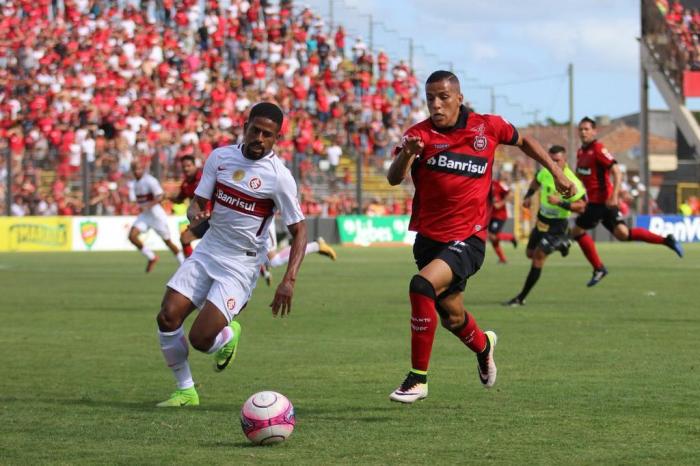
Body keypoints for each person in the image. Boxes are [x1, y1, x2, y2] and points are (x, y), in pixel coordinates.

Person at [385, 70, 575, 403]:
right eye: (430, 98)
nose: (436, 104)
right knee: (453, 317)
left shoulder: (486, 126)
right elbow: (393, 178)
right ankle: (483, 346)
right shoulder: (419, 135)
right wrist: (407, 153)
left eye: (443, 96)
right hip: (429, 240)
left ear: (459, 98)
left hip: (469, 238)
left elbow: (525, 141)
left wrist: (555, 171)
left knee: (421, 286)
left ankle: (418, 378)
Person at [154, 102, 307, 407]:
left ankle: (227, 335)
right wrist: (194, 214)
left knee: (200, 339)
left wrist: (289, 280)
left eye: (267, 134)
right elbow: (197, 203)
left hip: (241, 262)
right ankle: (185, 390)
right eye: (255, 130)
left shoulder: (279, 177)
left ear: (276, 138)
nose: (259, 138)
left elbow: (300, 230)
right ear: (245, 126)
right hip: (210, 248)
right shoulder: (220, 157)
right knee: (167, 316)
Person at [572, 117, 683, 287]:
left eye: (587, 129)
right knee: (623, 234)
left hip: (602, 202)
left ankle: (598, 268)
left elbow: (616, 171)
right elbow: (582, 176)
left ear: (595, 131)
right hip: (595, 202)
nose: (583, 132)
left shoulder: (598, 149)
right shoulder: (581, 152)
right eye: (581, 129)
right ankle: (667, 240)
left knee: (576, 231)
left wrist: (614, 195)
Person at [504, 146, 586, 306]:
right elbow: (536, 182)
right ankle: (562, 245)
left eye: (557, 160)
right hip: (542, 221)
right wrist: (528, 196)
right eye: (551, 160)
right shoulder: (545, 172)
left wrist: (561, 202)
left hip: (558, 225)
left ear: (565, 160)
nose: (553, 164)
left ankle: (521, 298)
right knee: (529, 253)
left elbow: (582, 206)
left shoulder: (572, 180)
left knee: (537, 258)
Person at [128, 161, 184, 272]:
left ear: (143, 169)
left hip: (156, 215)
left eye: (139, 169)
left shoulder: (150, 181)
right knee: (132, 236)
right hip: (145, 215)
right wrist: (136, 206)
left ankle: (183, 263)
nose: (137, 171)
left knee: (167, 242)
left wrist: (148, 205)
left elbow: (160, 196)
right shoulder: (134, 183)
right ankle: (152, 257)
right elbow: (138, 201)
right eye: (135, 169)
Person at [259, 220, 336, 286]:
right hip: (253, 220)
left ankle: (316, 246)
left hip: (260, 220)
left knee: (274, 261)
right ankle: (264, 271)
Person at [171, 155, 210, 258]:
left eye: (188, 165)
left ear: (195, 166)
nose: (186, 168)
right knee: (185, 238)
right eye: (184, 167)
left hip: (213, 217)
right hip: (201, 221)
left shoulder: (204, 177)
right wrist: (170, 197)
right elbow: (180, 199)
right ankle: (190, 267)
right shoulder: (185, 184)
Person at [488, 171, 518, 263]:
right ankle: (502, 258)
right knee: (493, 239)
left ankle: (510, 237)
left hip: (499, 216)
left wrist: (503, 201)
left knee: (492, 236)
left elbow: (509, 196)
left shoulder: (497, 185)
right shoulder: (491, 184)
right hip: (491, 215)